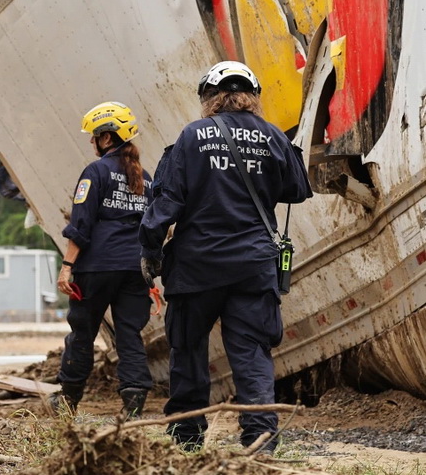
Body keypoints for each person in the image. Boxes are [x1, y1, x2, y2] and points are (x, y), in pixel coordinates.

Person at [139, 61, 313, 451]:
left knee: (187, 351)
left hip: (196, 266)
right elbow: (298, 190)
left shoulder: (191, 137)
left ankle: (186, 439)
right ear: (253, 98)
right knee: (252, 354)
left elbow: (165, 202)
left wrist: (150, 251)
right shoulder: (272, 137)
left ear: (208, 99)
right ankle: (261, 440)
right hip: (253, 265)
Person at [52, 101, 154, 418]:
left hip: (97, 267)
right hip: (135, 268)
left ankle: (68, 400)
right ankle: (134, 404)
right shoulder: (147, 178)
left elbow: (81, 224)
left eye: (94, 135)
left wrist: (67, 267)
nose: (90, 142)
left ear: (107, 138)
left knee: (83, 333)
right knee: (129, 334)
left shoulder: (95, 172)